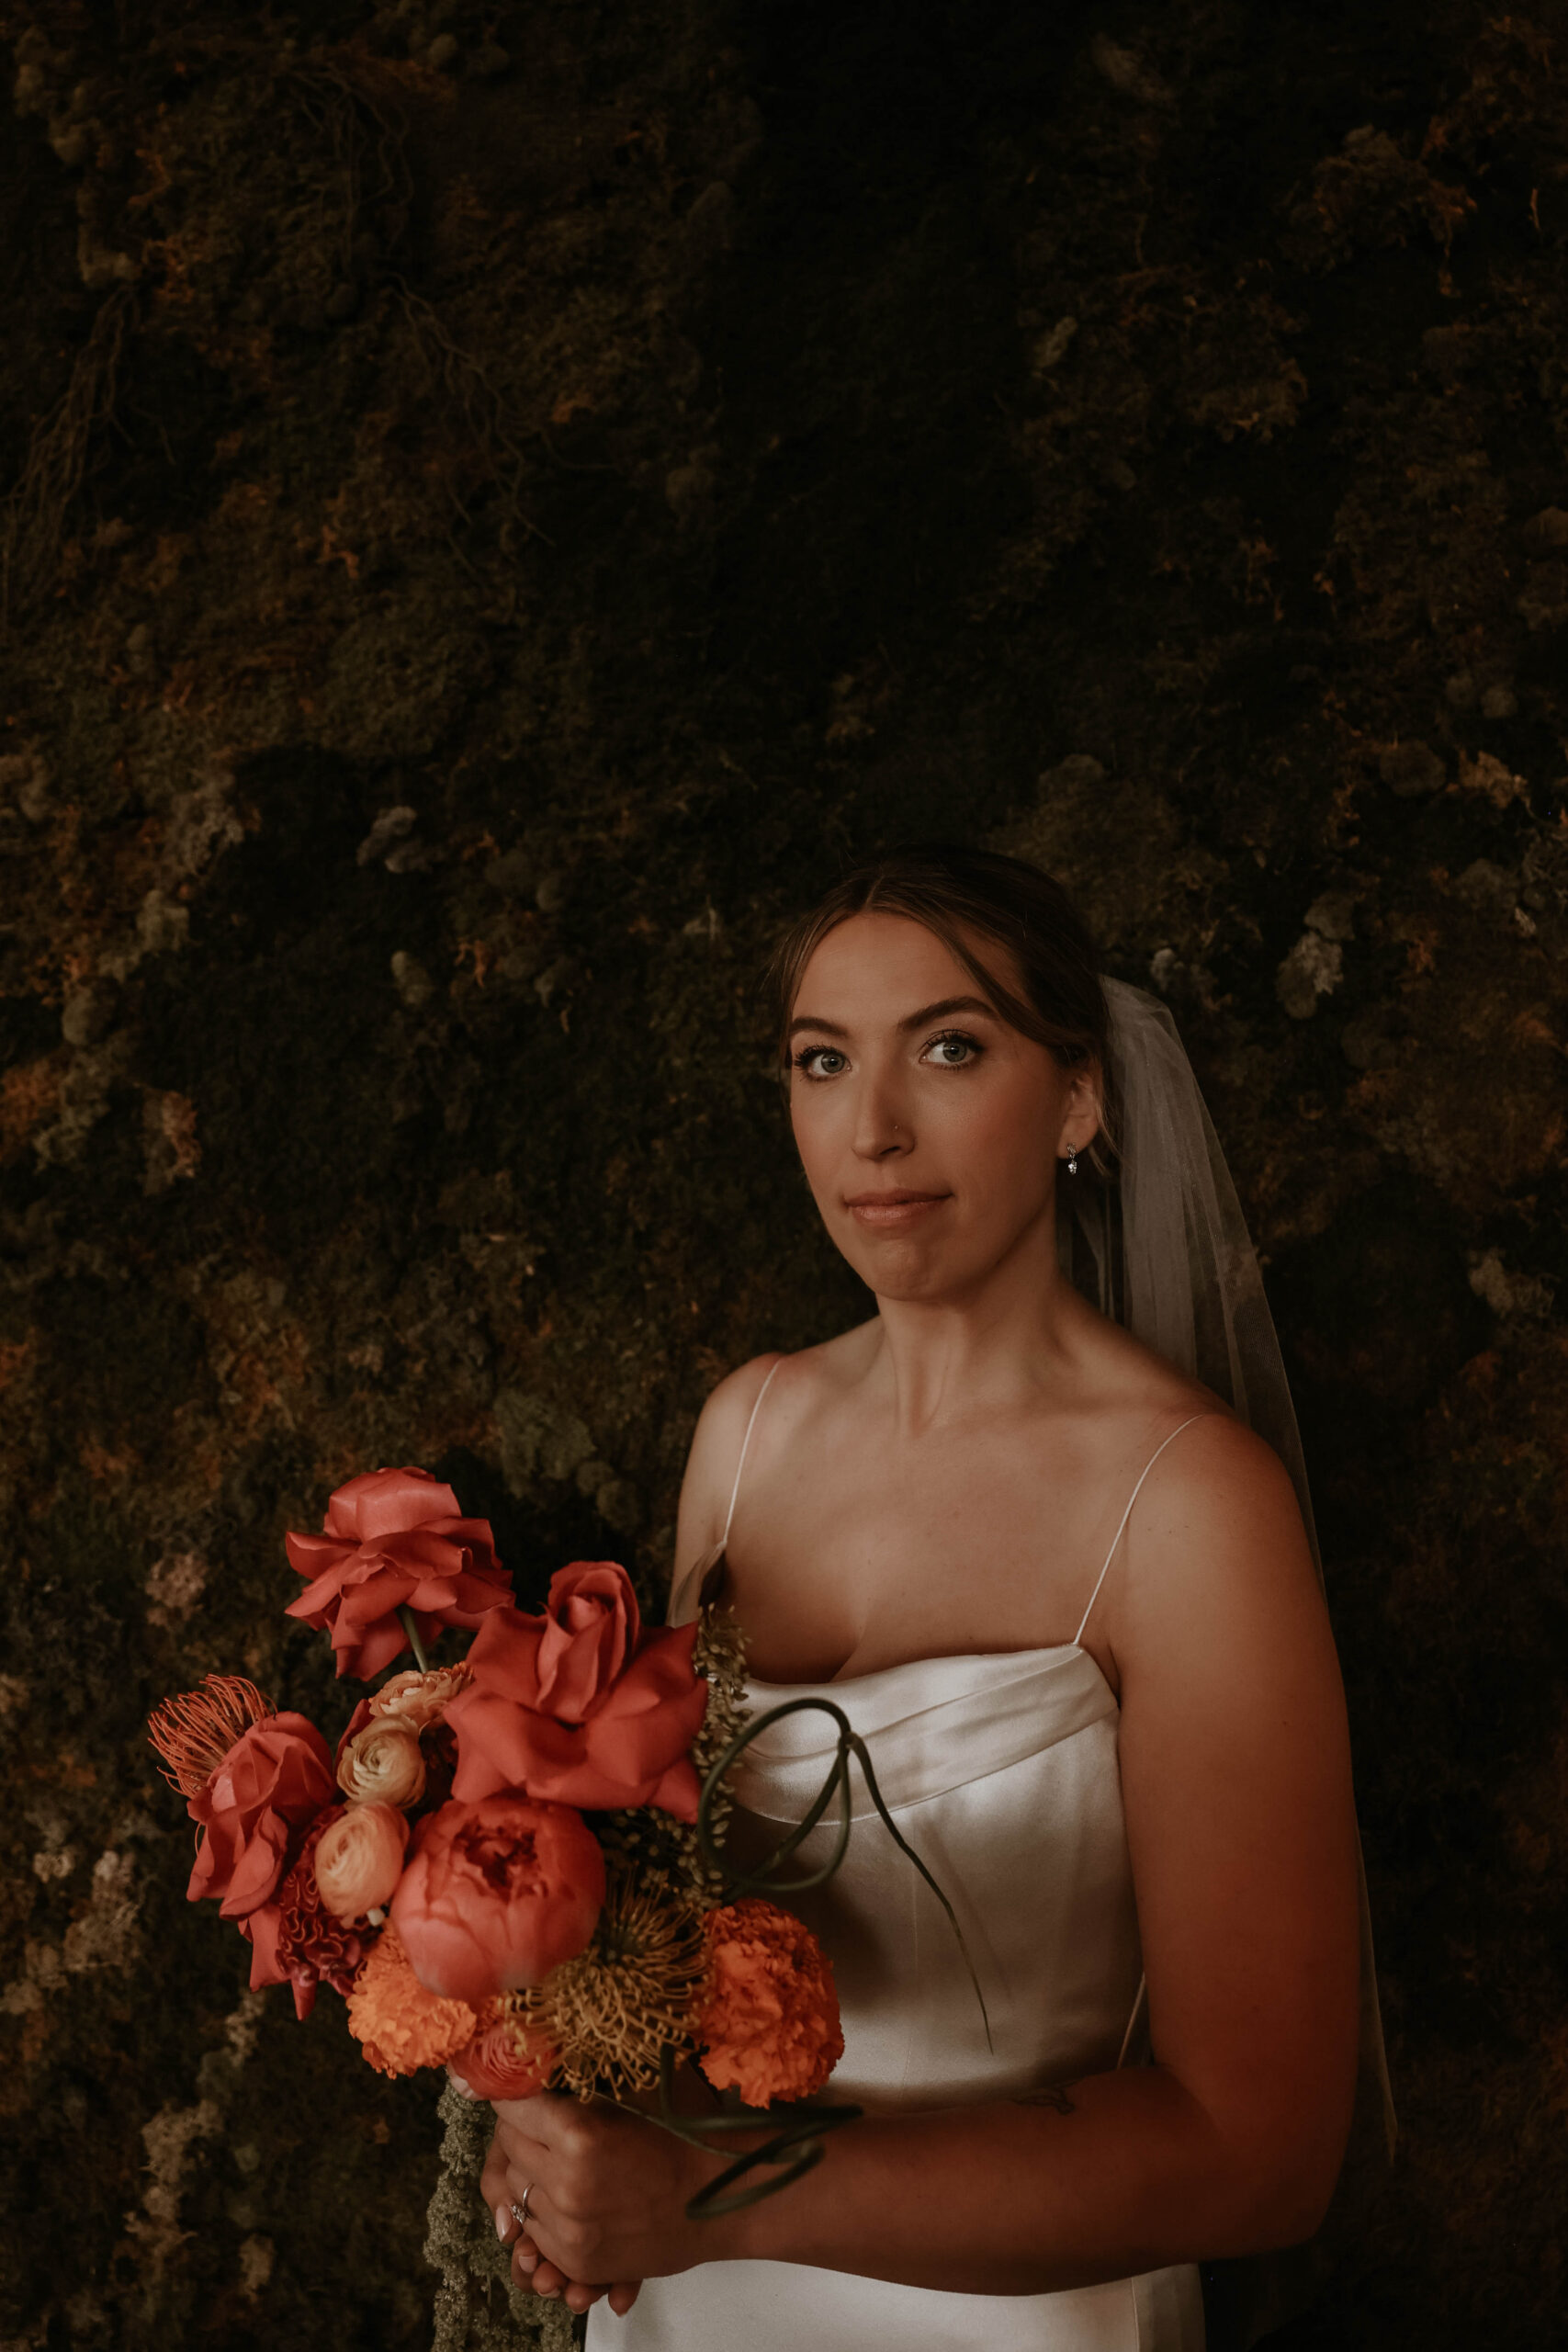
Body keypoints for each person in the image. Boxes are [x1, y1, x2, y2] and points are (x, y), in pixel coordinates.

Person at [480, 843, 1394, 2349]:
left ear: (1081, 1098)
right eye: (822, 1062)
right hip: (689, 2310)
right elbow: (659, 1920)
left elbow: (1261, 2157)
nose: (876, 1129)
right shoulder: (747, 1433)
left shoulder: (1185, 1505)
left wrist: (716, 2197)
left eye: (950, 1049)